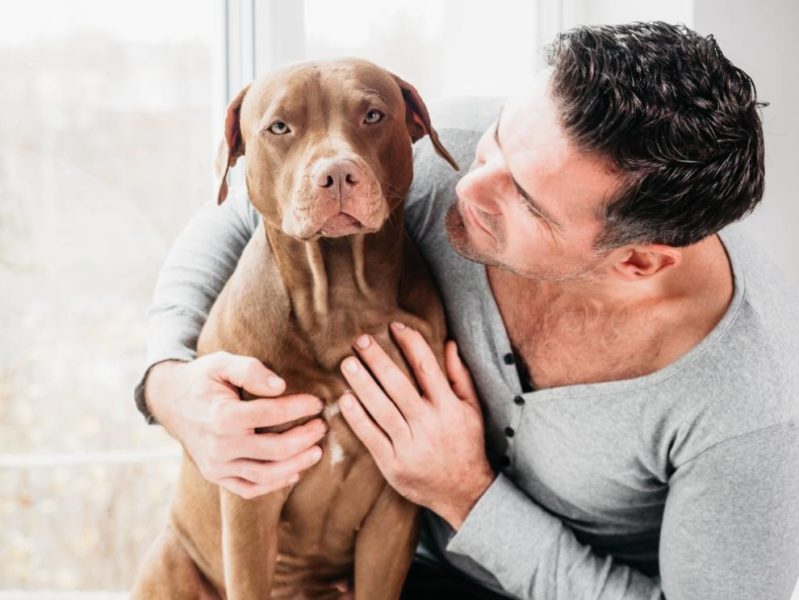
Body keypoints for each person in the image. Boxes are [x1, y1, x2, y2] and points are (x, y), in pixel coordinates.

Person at [134, 22, 799, 600]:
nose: (466, 184)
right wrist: (169, 382)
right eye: (496, 142)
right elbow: (249, 207)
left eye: (526, 201)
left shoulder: (747, 403)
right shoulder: (435, 145)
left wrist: (465, 494)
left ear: (637, 261)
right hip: (380, 570)